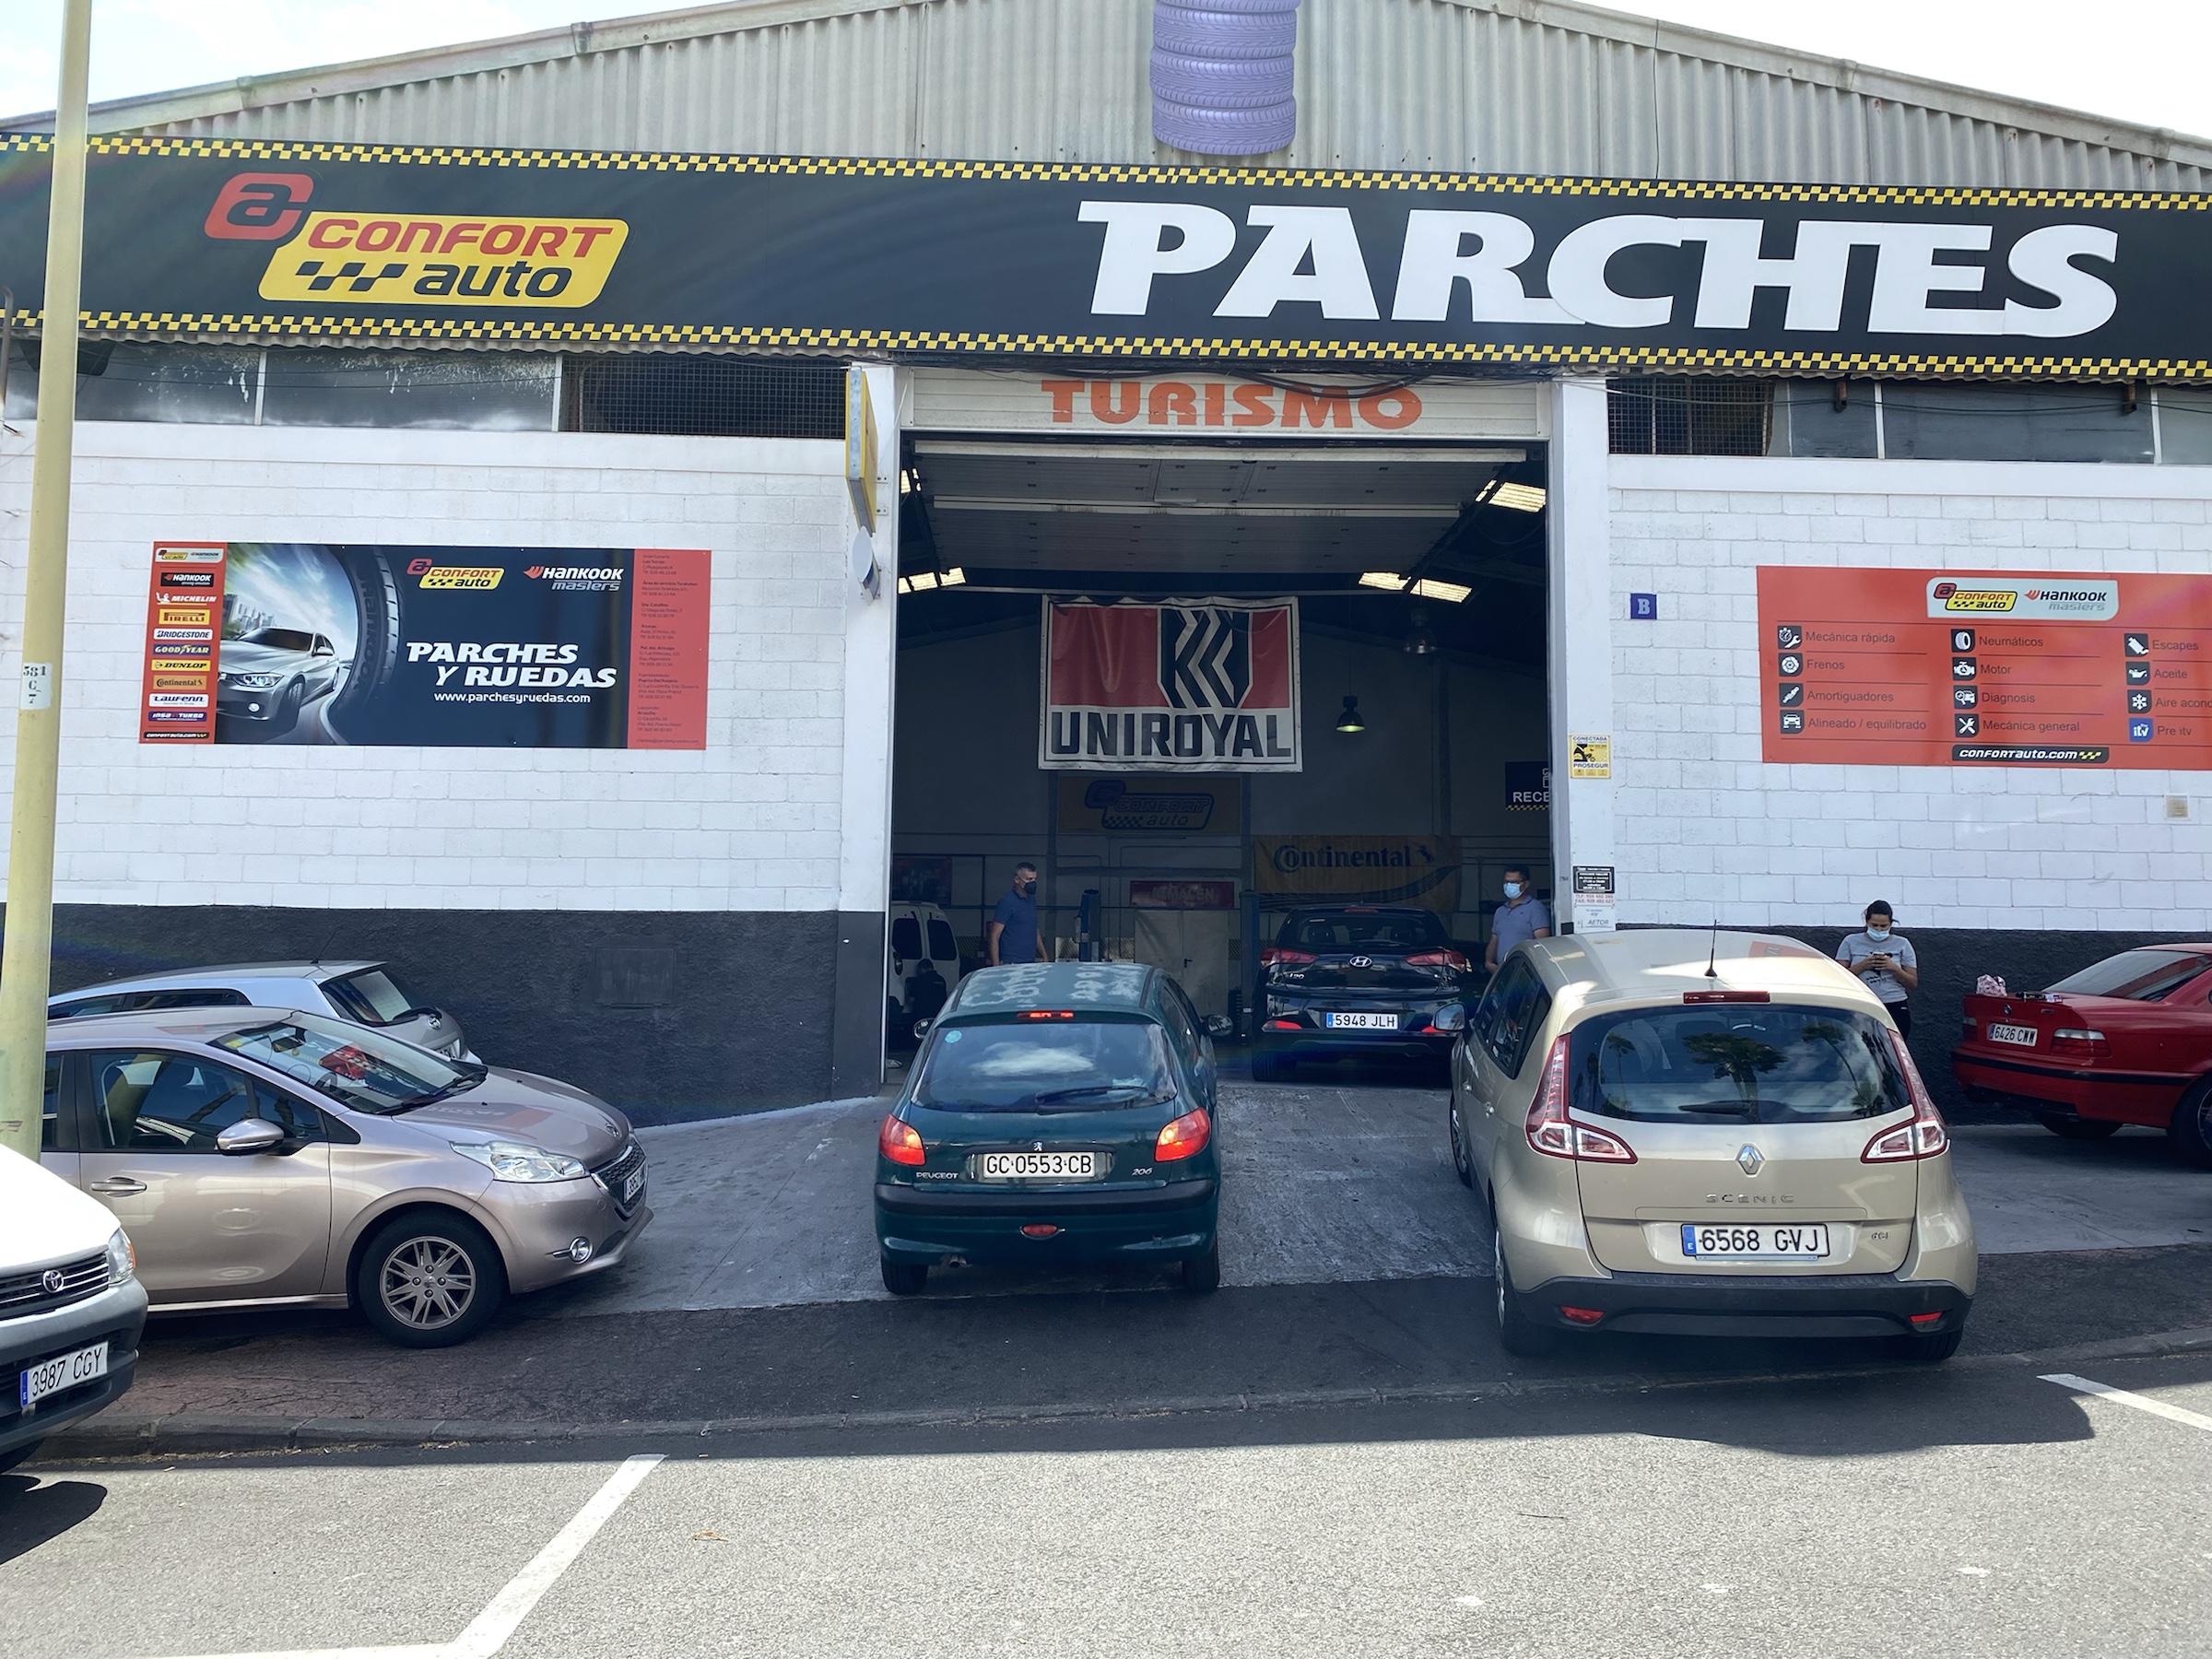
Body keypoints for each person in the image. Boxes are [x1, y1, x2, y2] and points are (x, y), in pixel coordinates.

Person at [1838, 900, 1919, 1038]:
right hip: (1861, 1002)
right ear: (1866, 922)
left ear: (1891, 924)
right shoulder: (1850, 941)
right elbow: (1838, 976)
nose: (1879, 930)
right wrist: (1863, 965)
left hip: (1894, 1004)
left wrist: (1893, 968)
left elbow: (1912, 983)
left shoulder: (1902, 944)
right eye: (1874, 925)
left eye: (1883, 926)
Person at [1484, 865, 1553, 972]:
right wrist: (1489, 962)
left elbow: (1542, 943)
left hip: (1526, 972)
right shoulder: (1500, 911)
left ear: (1526, 884)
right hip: (1504, 972)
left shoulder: (1536, 908)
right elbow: (1494, 940)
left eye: (1514, 882)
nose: (1509, 885)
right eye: (1506, 882)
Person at [986, 863, 1043, 966]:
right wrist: (996, 966)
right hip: (1011, 963)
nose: (1033, 883)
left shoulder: (1031, 900)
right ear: (1017, 879)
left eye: (1034, 879)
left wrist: (1044, 956)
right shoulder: (1007, 902)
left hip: (1030, 962)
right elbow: (995, 935)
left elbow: (1034, 929)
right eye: (1029, 879)